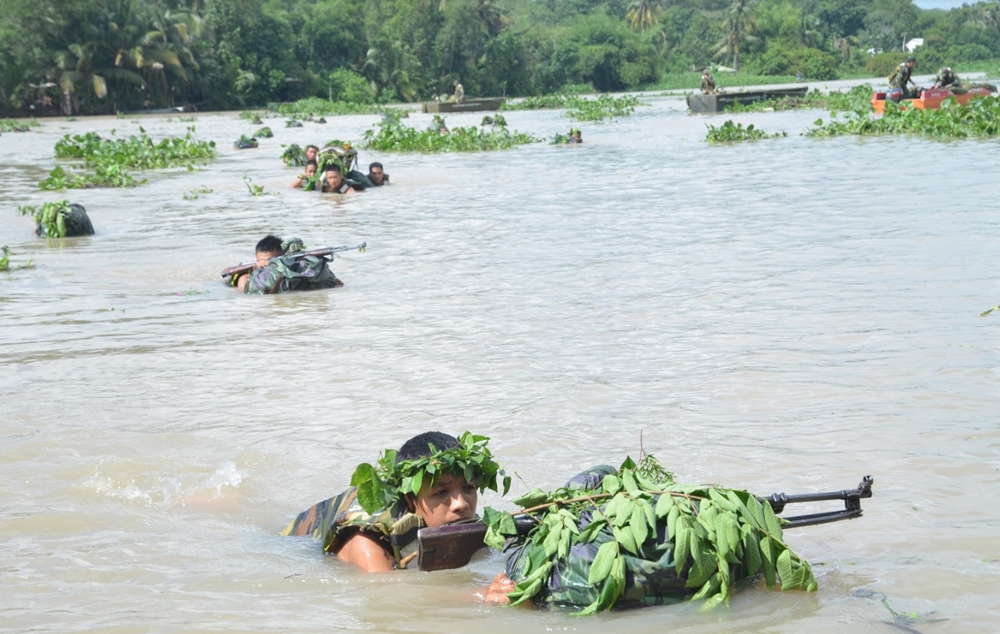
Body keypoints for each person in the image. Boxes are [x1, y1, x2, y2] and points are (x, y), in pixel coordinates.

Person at [282, 431, 493, 573]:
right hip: (295, 543)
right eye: (441, 492)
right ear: (411, 500)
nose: (461, 504)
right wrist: (481, 596)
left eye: (468, 488)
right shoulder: (368, 539)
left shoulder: (460, 518)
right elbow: (394, 596)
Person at [233, 235, 344, 294]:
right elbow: (246, 293)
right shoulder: (246, 277)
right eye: (260, 261)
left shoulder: (297, 269)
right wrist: (257, 269)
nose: (266, 264)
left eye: (272, 261)